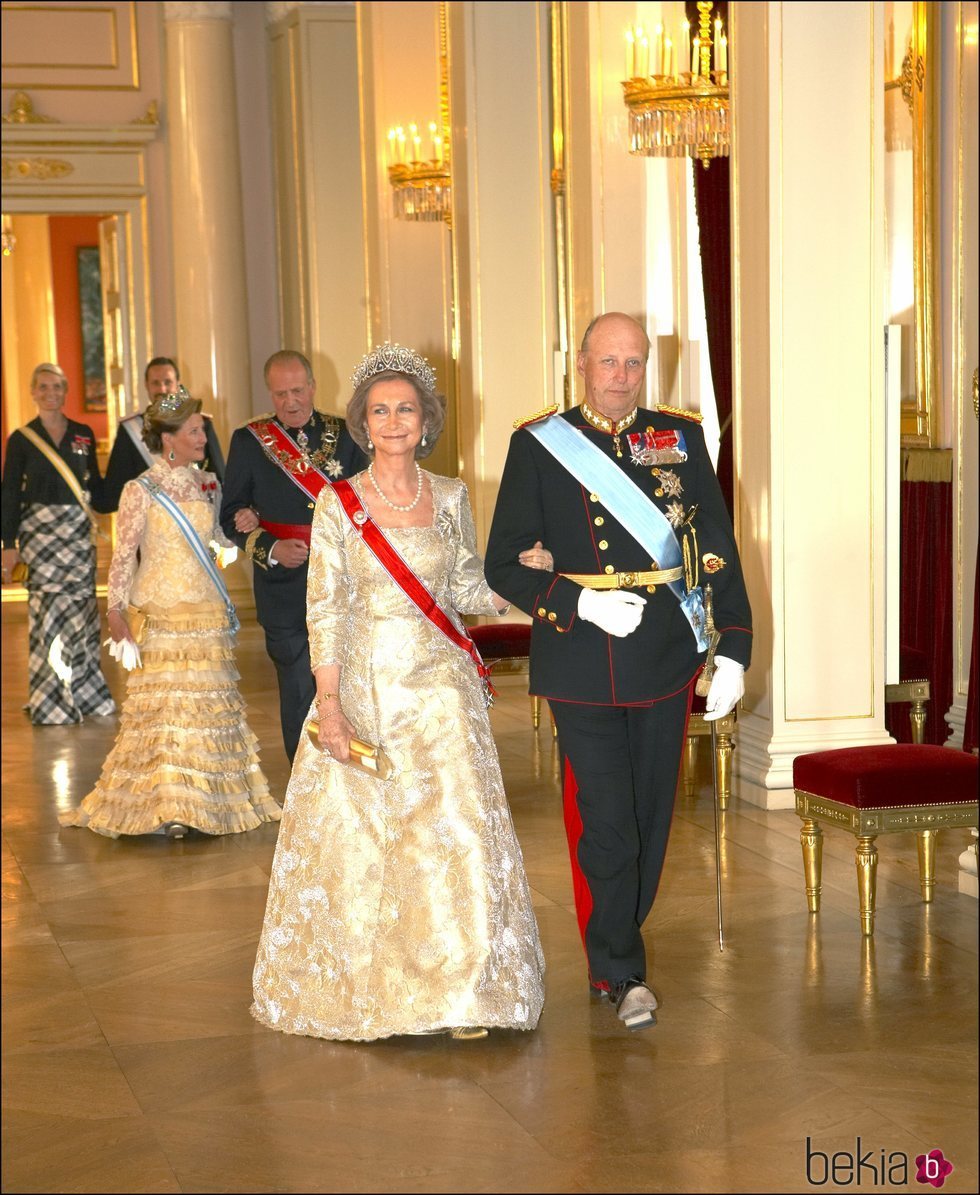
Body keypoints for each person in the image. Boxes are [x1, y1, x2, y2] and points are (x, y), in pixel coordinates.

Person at [251, 343, 545, 1042]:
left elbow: (465, 587)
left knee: (455, 839)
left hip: (443, 694)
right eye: (380, 410)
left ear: (425, 418)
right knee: (374, 844)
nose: (393, 421)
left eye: (405, 408)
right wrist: (328, 702)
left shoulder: (450, 495)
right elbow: (324, 605)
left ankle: (465, 988)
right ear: (362, 421)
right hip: (367, 689)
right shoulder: (338, 500)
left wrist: (521, 575)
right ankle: (378, 986)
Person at [484, 312, 752, 1032]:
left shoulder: (680, 435)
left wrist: (734, 645)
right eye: (609, 362)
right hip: (580, 657)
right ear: (581, 363)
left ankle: (614, 935)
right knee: (608, 821)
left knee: (649, 818)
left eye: (634, 363)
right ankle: (621, 968)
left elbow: (715, 544)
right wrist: (578, 603)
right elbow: (501, 562)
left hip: (664, 654)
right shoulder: (539, 444)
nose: (622, 376)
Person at [59, 389, 281, 839]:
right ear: (170, 440)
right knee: (164, 713)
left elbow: (217, 546)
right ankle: (166, 804)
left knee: (205, 711)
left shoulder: (209, 485)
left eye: (202, 429)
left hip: (205, 611)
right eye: (195, 430)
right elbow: (124, 556)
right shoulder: (139, 489)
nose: (204, 437)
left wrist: (239, 530)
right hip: (159, 610)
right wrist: (115, 609)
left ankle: (204, 802)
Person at [220, 350, 366, 763]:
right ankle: (306, 781)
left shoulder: (347, 434)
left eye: (298, 390)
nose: (291, 401)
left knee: (346, 686)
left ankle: (348, 780)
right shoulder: (250, 441)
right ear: (271, 392)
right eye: (281, 393)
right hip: (282, 589)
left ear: (313, 387)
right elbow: (230, 516)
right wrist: (270, 549)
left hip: (342, 583)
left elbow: (365, 506)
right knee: (299, 688)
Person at [1, 363, 116, 725]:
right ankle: (50, 698)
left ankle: (85, 692)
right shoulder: (21, 439)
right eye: (44, 387)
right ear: (34, 392)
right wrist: (8, 542)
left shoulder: (83, 434)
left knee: (81, 614)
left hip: (78, 538)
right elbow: (8, 495)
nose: (51, 393)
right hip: (40, 539)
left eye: (58, 387)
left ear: (65, 392)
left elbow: (98, 491)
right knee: (48, 614)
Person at [102, 356, 225, 511]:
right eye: (155, 383)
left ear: (178, 385)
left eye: (168, 382)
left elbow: (219, 480)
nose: (162, 389)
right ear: (146, 385)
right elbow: (114, 494)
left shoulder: (201, 423)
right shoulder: (130, 430)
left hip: (196, 519)